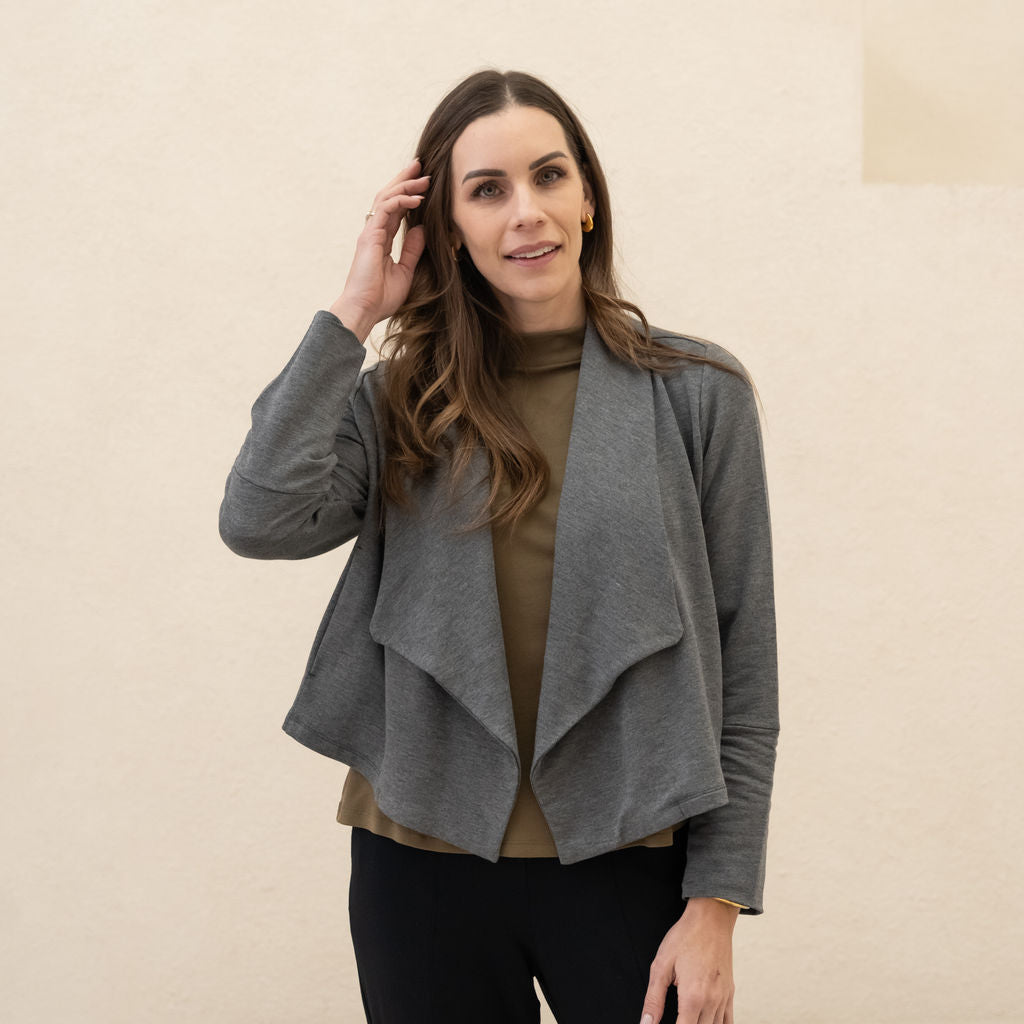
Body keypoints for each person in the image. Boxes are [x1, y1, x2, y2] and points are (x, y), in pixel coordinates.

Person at [219, 68, 779, 1024]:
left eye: (549, 176)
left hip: (629, 857)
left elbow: (744, 666)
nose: (527, 212)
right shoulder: (401, 400)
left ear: (588, 197)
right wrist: (354, 314)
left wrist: (718, 901)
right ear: (448, 229)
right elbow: (258, 518)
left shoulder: (699, 394)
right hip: (418, 864)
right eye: (487, 190)